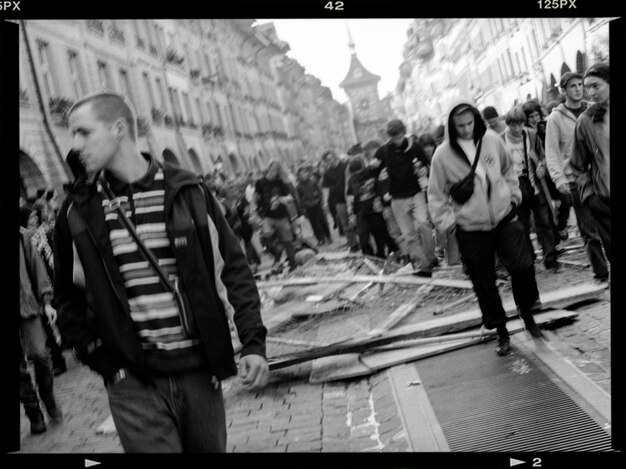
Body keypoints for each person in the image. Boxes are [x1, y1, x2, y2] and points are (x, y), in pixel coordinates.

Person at [53, 92, 268, 453]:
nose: (75, 146)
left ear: (119, 129)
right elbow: (66, 298)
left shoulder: (188, 192)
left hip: (200, 374)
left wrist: (253, 343)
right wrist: (106, 364)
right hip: (133, 384)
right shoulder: (76, 212)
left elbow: (233, 271)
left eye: (84, 133)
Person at [428, 99, 544, 356]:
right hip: (470, 227)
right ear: (452, 126)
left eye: (470, 123)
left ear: (476, 121)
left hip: (504, 216)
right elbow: (435, 195)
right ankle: (501, 331)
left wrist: (514, 196)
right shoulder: (442, 156)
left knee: (523, 266)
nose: (466, 129)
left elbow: (507, 169)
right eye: (460, 126)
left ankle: (527, 315)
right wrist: (450, 224)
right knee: (484, 281)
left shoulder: (491, 140)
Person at [545, 71, 609, 284]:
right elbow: (552, 151)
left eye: (580, 84)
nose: (579, 89)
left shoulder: (594, 111)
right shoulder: (555, 117)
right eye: (573, 86)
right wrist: (558, 179)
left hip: (600, 175)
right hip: (575, 178)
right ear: (564, 91)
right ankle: (601, 273)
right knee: (588, 229)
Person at [371, 119, 437, 276]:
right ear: (390, 136)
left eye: (399, 135)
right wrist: (375, 172)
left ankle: (430, 257)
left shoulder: (414, 147)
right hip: (397, 199)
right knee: (409, 235)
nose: (397, 139)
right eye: (394, 136)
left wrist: (424, 172)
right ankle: (423, 266)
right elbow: (373, 173)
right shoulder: (383, 151)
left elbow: (427, 164)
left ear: (403, 132)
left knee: (423, 224)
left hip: (415, 193)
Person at [502, 106, 560, 273]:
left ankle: (551, 258)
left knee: (544, 222)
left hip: (534, 184)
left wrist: (542, 165)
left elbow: (542, 154)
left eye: (520, 124)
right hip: (515, 188)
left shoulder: (531, 135)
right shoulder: (501, 140)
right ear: (508, 124)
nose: (517, 129)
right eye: (513, 125)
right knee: (522, 226)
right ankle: (529, 258)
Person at [19, 219, 63, 434]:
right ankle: (33, 411)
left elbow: (37, 267)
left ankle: (48, 397)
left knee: (40, 354)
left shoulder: (21, 235)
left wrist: (46, 301)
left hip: (27, 305)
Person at [570, 63, 610, 261]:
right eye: (588, 88)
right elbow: (577, 164)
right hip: (604, 202)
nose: (590, 93)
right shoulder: (586, 121)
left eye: (596, 86)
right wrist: (590, 197)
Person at [23, 202, 68, 375]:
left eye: (35, 218)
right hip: (35, 290)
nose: (34, 221)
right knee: (47, 329)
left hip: (51, 282)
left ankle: (67, 343)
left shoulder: (44, 235)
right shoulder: (25, 240)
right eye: (30, 219)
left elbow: (51, 257)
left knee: (60, 314)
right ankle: (57, 360)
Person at [417, 133, 460, 266]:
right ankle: (441, 250)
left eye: (430, 145)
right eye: (425, 146)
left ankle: (451, 254)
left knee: (449, 224)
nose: (428, 149)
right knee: (439, 225)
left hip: (445, 195)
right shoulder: (420, 164)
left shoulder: (439, 157)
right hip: (429, 197)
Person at [346, 157, 398, 258]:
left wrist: (381, 202)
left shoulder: (371, 173)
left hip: (375, 209)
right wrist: (351, 213)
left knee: (381, 234)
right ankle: (369, 257)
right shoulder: (352, 180)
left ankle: (384, 254)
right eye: (355, 172)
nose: (357, 173)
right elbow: (351, 197)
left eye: (358, 170)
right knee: (363, 237)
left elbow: (381, 186)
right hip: (361, 211)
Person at [254, 159, 299, 271]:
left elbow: (290, 197)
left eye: (277, 170)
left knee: (287, 240)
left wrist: (281, 199)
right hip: (266, 215)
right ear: (269, 168)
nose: (274, 172)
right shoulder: (260, 182)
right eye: (272, 169)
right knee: (266, 238)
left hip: (281, 215)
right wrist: (254, 213)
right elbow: (254, 199)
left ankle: (293, 264)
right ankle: (277, 254)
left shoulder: (281, 182)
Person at [321, 150, 358, 251]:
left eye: (331, 158)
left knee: (357, 221)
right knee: (345, 224)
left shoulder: (346, 165)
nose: (330, 161)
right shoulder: (327, 173)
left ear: (335, 156)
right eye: (327, 160)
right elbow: (325, 188)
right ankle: (353, 244)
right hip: (339, 201)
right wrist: (325, 202)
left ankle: (363, 242)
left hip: (352, 197)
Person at [296, 165, 332, 246]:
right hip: (308, 207)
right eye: (300, 174)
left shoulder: (313, 181)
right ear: (298, 176)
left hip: (317, 204)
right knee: (314, 223)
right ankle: (320, 239)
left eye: (304, 173)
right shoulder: (298, 186)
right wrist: (303, 207)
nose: (303, 176)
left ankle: (328, 236)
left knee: (322, 221)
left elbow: (319, 192)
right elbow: (299, 199)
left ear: (307, 173)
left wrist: (319, 200)